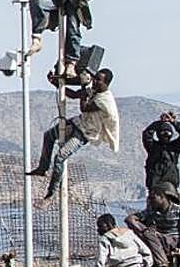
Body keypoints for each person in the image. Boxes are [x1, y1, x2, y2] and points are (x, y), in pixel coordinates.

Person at [27, 68, 119, 200]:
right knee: (49, 135)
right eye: (95, 78)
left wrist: (83, 85)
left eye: (98, 79)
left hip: (85, 133)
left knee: (60, 156)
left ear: (106, 83)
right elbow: (75, 94)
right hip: (77, 123)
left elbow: (84, 107)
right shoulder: (94, 91)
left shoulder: (105, 101)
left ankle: (52, 190)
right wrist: (56, 83)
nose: (95, 81)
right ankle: (43, 167)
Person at [126, 187, 180, 267]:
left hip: (173, 240)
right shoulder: (152, 210)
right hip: (158, 238)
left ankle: (163, 264)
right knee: (144, 232)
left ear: (161, 198)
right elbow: (137, 217)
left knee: (149, 234)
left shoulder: (178, 210)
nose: (151, 201)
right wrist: (132, 220)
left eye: (153, 198)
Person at [142, 113, 180, 193]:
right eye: (162, 132)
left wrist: (174, 122)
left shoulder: (175, 147)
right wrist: (159, 123)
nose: (165, 135)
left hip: (171, 186)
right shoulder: (152, 147)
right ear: (158, 134)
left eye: (168, 133)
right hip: (155, 187)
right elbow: (147, 134)